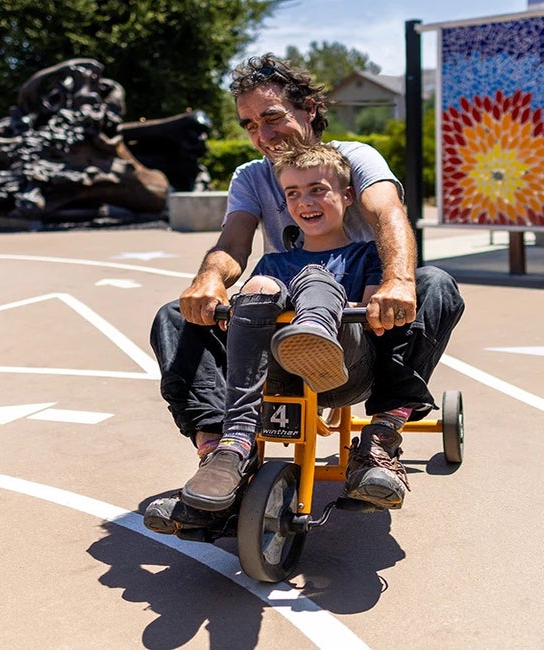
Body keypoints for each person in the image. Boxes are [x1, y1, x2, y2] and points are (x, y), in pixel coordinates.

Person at [145, 54, 464, 533]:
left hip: (360, 343)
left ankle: (378, 441)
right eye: (250, 124)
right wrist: (209, 281)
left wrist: (397, 280)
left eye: (272, 117)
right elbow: (233, 245)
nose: (263, 135)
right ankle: (221, 457)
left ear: (309, 109)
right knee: (176, 315)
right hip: (279, 337)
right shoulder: (252, 177)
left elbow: (388, 214)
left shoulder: (351, 159)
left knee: (434, 283)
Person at [180, 142, 383, 512]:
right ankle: (235, 442)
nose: (305, 201)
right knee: (258, 288)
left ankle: (315, 333)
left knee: (316, 278)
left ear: (348, 195)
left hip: (343, 371)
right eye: (293, 193)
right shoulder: (273, 262)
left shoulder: (367, 253)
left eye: (317, 190)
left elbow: (372, 316)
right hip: (275, 372)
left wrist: (325, 295)